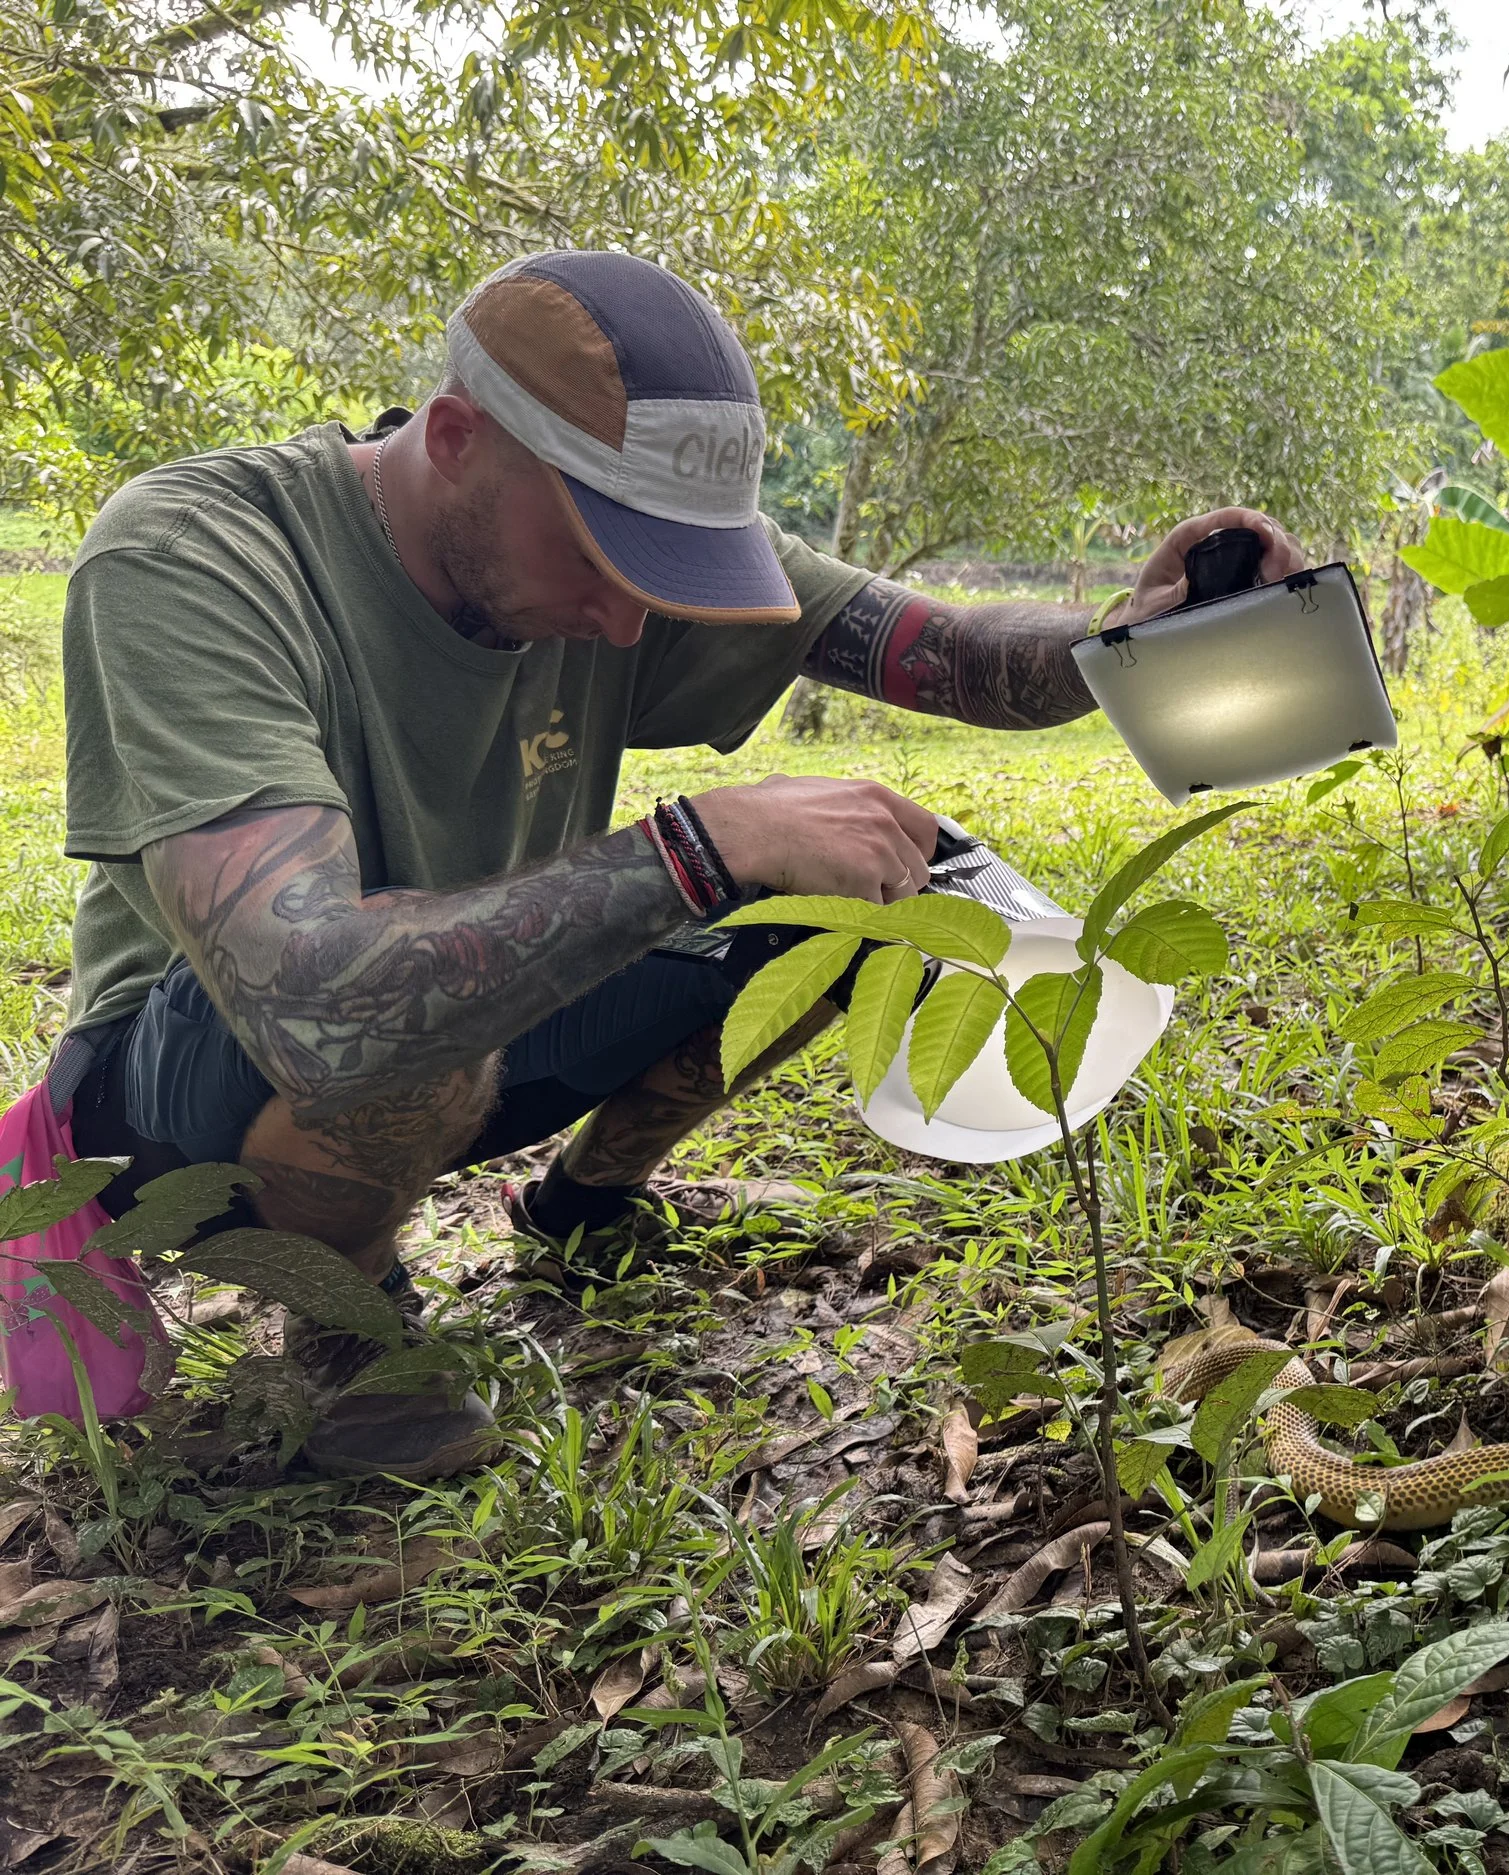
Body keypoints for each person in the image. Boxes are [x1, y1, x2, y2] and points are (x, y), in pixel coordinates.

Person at [47, 249, 1305, 1481]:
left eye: (673, 571)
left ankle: (584, 1206)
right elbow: (310, 1003)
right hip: (194, 1111)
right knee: (406, 1024)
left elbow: (959, 656)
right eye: (606, 560)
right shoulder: (198, 553)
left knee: (845, 901)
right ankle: (349, 1330)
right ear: (453, 438)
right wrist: (701, 846)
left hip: (472, 1049)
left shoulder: (618, 569)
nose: (634, 622)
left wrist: (1123, 635)